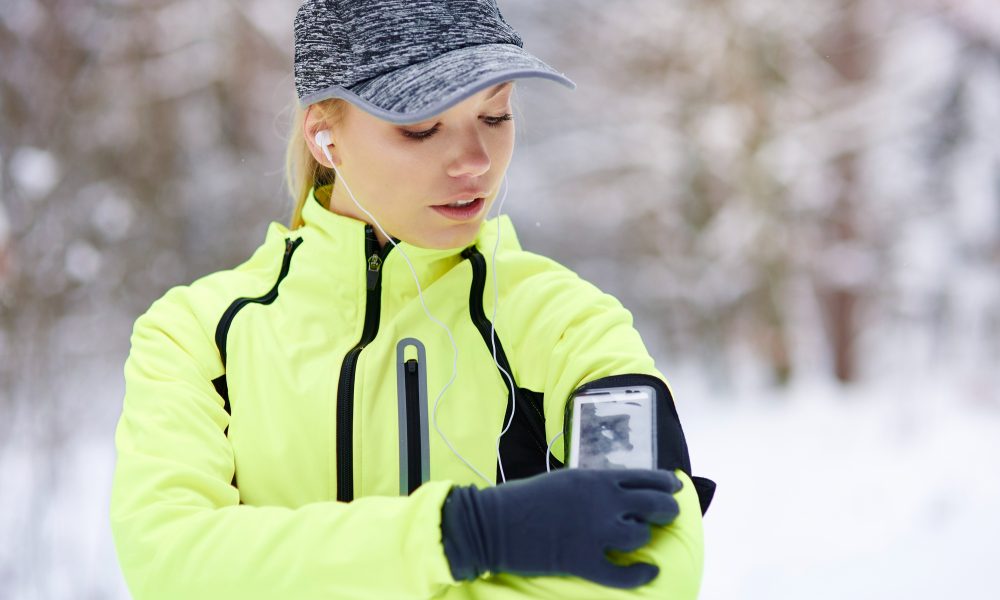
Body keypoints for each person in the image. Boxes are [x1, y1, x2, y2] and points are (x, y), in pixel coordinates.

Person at [110, 1, 715, 599]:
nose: (476, 161)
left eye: (496, 116)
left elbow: (656, 565)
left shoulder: (563, 321)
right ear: (324, 134)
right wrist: (468, 535)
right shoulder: (196, 333)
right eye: (421, 127)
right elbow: (169, 561)